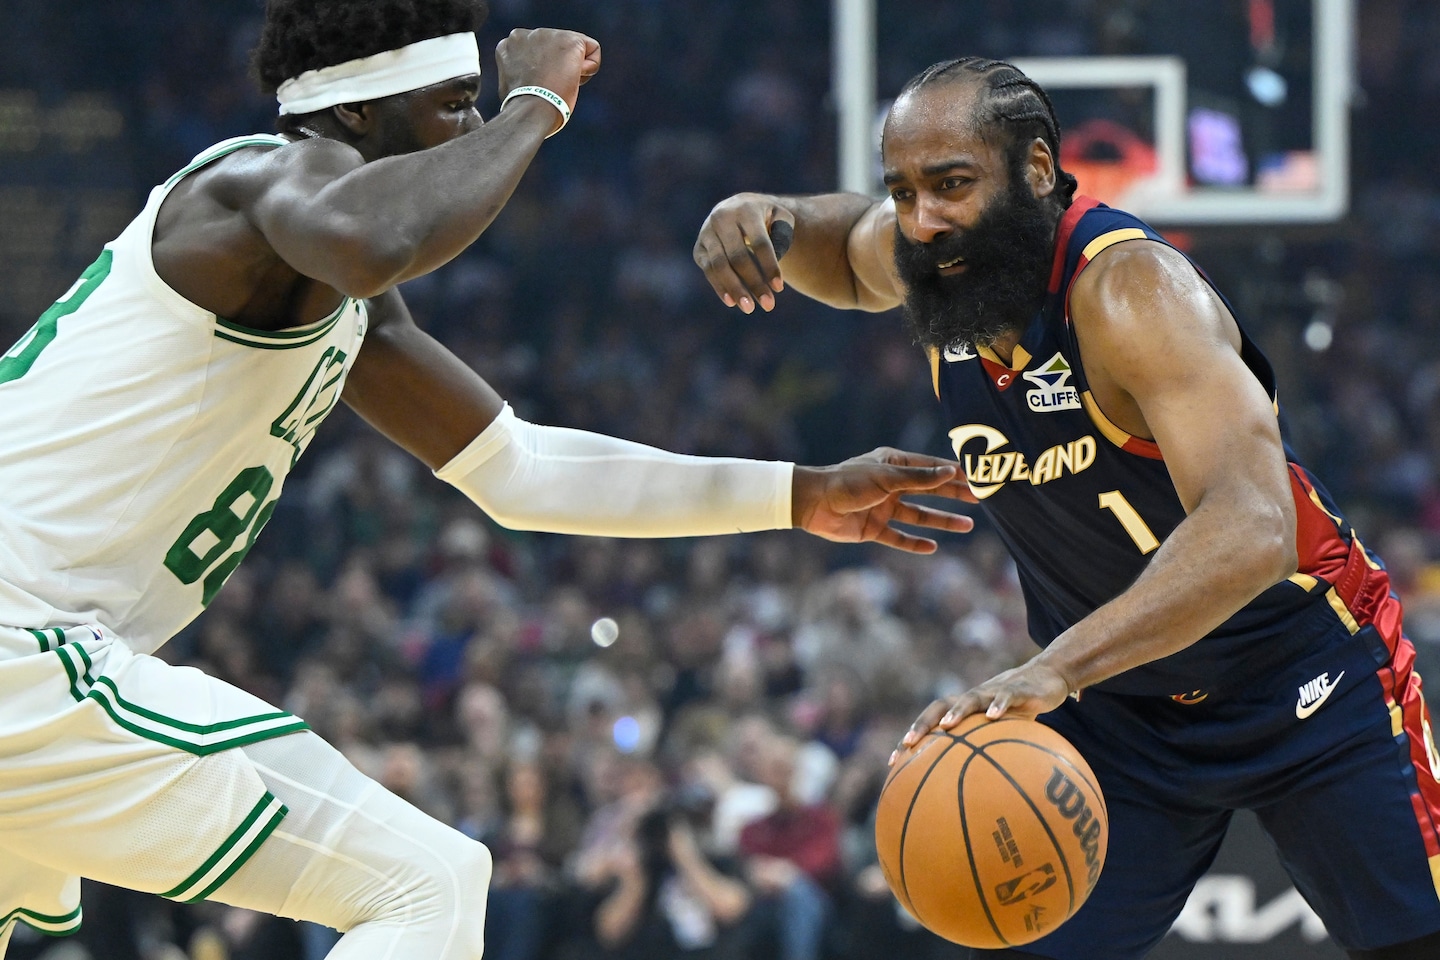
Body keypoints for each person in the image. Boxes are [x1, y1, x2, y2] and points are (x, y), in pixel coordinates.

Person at [0, 3, 979, 954]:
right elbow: (375, 238)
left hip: (42, 653)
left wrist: (797, 493)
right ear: (356, 111)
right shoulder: (257, 184)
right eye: (453, 103)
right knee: (428, 884)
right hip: (23, 644)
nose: (474, 127)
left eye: (478, 104)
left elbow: (522, 469)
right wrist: (533, 108)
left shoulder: (334, 297)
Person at [692, 56, 1440, 960]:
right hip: (1121, 714)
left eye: (952, 184)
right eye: (904, 191)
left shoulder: (1132, 293)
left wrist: (1056, 669)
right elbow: (848, 250)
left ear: (1038, 169)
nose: (923, 220)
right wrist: (767, 215)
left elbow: (1253, 527)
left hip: (1304, 674)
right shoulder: (935, 260)